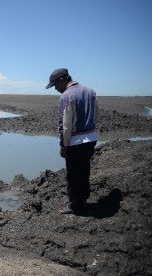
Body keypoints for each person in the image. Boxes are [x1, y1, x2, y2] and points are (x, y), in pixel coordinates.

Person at [45, 68, 100, 215]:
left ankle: (76, 206)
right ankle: (83, 201)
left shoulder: (66, 96)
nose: (56, 89)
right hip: (91, 138)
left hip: (76, 142)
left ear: (63, 80)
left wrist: (63, 146)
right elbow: (97, 114)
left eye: (55, 85)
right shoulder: (90, 91)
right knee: (84, 170)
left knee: (73, 174)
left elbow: (65, 125)